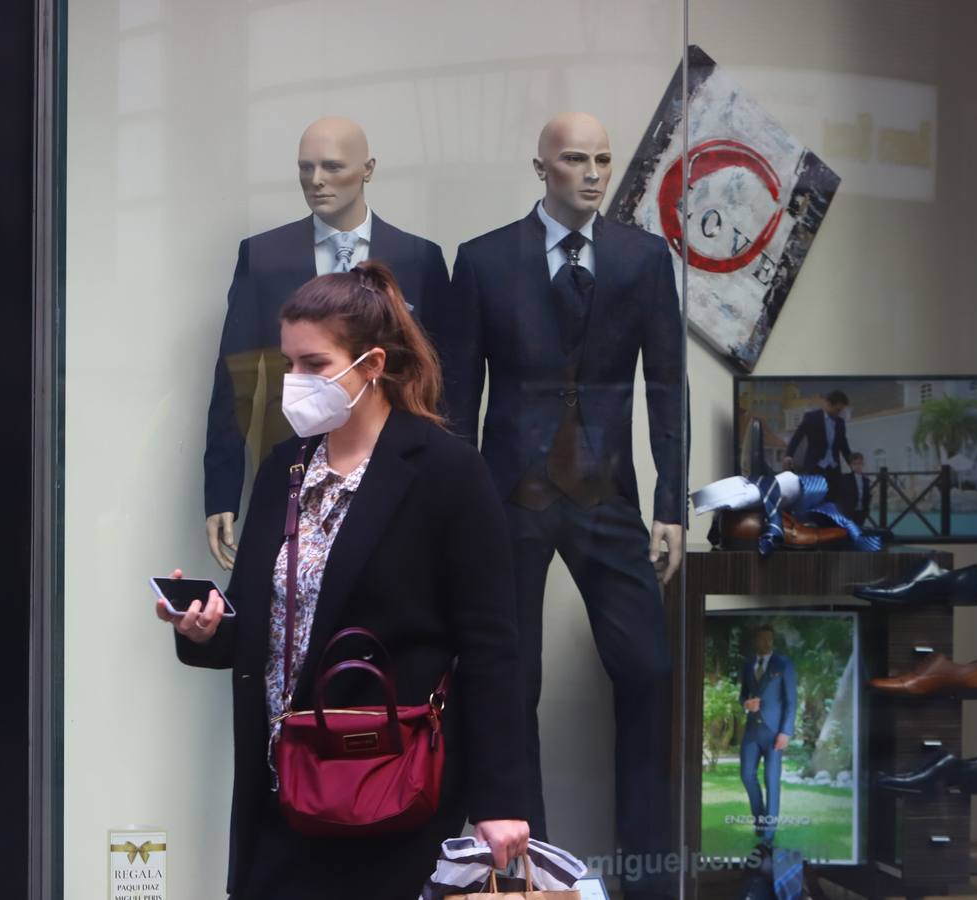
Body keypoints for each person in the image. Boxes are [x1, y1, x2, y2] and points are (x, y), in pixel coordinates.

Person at [161, 261, 528, 900]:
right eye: (288, 363)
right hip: (282, 782)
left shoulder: (446, 473)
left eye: (314, 364)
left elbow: (493, 647)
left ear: (372, 366)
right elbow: (262, 622)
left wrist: (500, 799)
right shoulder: (283, 470)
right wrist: (204, 628)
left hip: (390, 782)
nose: (294, 382)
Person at [431, 112, 685, 900]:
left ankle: (645, 870)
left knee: (648, 667)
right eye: (575, 159)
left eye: (603, 160)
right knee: (510, 681)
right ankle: (525, 871)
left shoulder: (643, 259)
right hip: (508, 492)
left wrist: (672, 503)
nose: (593, 173)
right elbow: (456, 397)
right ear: (540, 167)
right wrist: (455, 508)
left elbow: (667, 386)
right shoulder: (481, 260)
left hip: (606, 491)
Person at [203, 117, 451, 572]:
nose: (316, 181)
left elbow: (439, 379)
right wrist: (222, 490)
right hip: (291, 461)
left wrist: (445, 480)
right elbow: (233, 379)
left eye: (332, 167)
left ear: (368, 169)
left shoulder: (420, 258)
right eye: (306, 168)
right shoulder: (263, 256)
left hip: (392, 461)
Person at [739, 624, 798, 842]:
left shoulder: (784, 664)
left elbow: (792, 702)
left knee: (771, 780)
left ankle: (769, 832)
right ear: (756, 640)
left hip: (775, 733)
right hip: (752, 731)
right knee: (746, 775)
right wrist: (746, 704)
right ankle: (761, 820)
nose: (766, 643)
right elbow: (742, 696)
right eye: (762, 639)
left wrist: (786, 732)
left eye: (770, 640)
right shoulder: (747, 665)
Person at [782, 390, 853, 492]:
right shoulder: (812, 417)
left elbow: (844, 446)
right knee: (814, 497)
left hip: (834, 469)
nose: (839, 413)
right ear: (828, 404)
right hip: (815, 467)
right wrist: (789, 455)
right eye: (837, 410)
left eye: (841, 411)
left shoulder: (840, 422)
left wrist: (853, 464)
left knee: (834, 499)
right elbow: (797, 437)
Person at [836, 452, 871, 525]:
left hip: (861, 512)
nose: (857, 466)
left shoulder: (866, 480)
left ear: (862, 464)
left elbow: (867, 496)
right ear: (851, 465)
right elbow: (841, 496)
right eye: (855, 464)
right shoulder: (846, 479)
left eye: (859, 463)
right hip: (849, 512)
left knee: (859, 530)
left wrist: (866, 511)